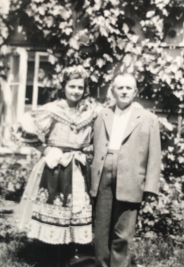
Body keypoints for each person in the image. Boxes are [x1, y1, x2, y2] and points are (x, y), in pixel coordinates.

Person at [12, 65, 100, 267]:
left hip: (78, 168)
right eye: (72, 86)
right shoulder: (53, 110)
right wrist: (46, 150)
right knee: (55, 210)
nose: (76, 91)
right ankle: (52, 258)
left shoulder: (91, 111)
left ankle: (71, 256)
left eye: (80, 87)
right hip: (56, 167)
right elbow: (22, 128)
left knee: (75, 212)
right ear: (64, 87)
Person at [90, 67, 161, 267]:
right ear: (113, 91)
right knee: (101, 230)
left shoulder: (148, 119)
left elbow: (154, 156)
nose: (124, 91)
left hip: (131, 178)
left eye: (128, 88)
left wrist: (150, 187)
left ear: (135, 92)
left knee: (123, 232)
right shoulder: (102, 115)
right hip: (104, 174)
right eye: (120, 87)